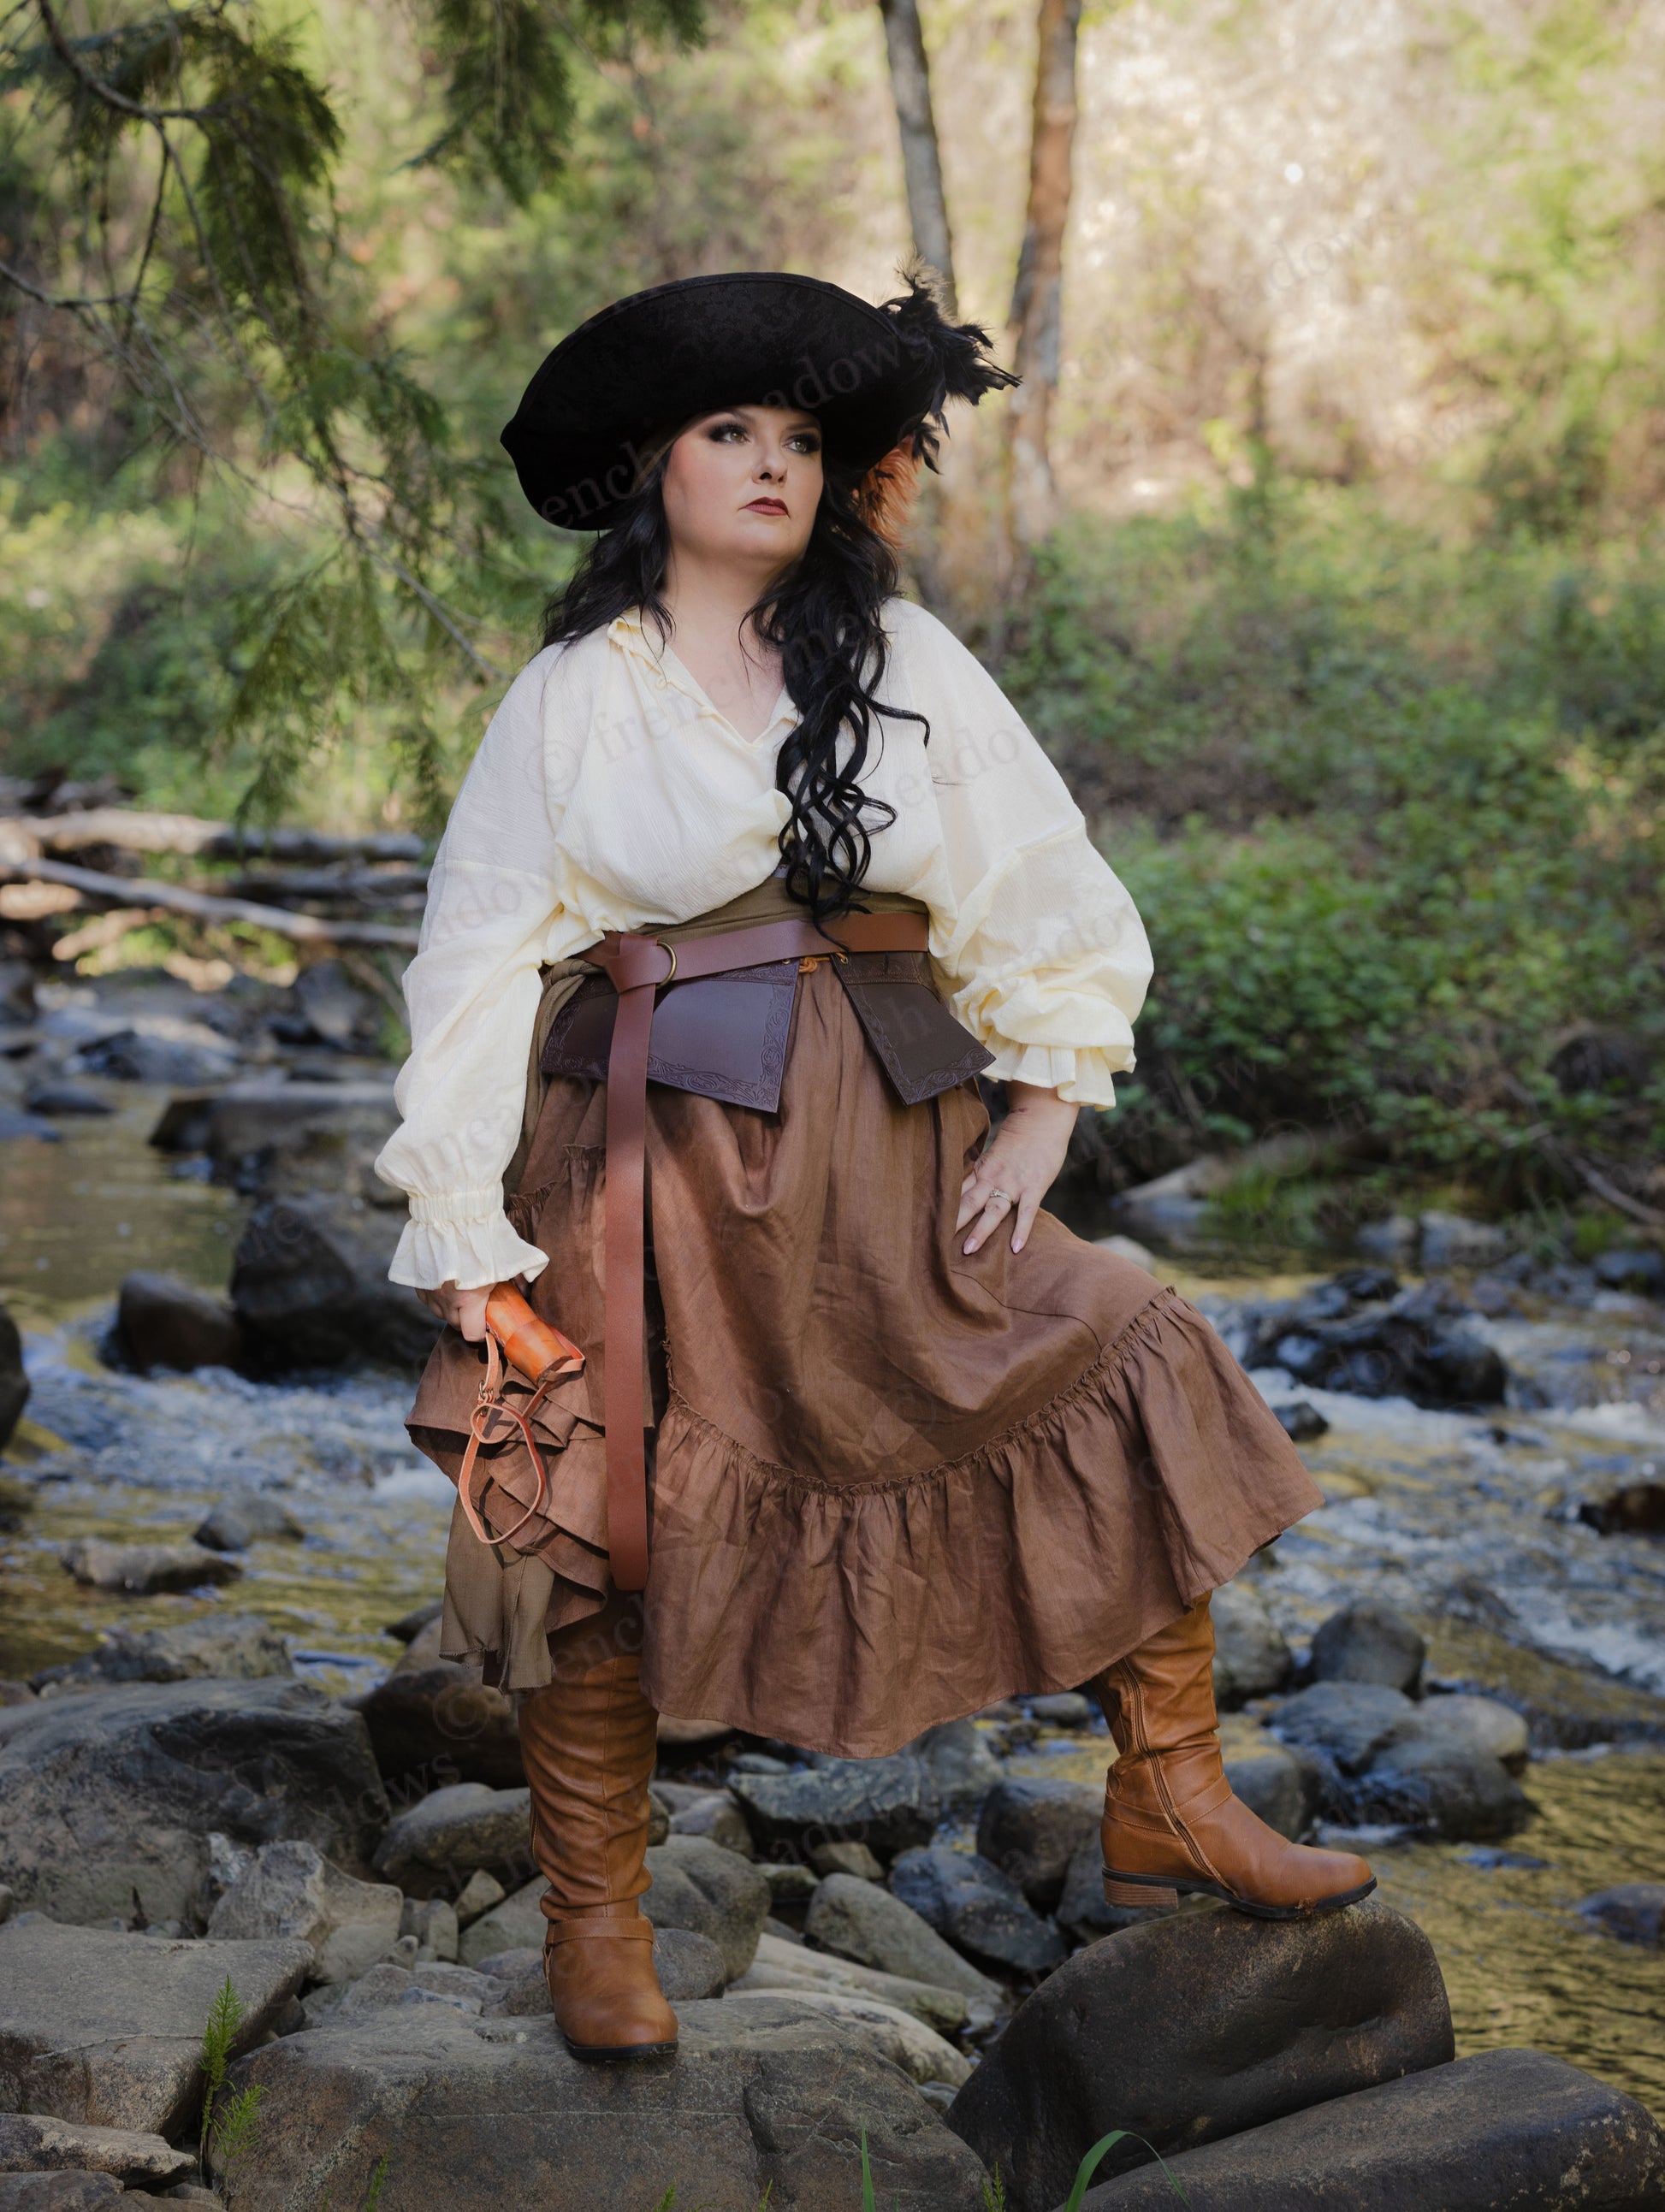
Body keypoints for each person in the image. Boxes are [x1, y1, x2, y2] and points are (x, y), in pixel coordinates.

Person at [376, 269, 1374, 2065]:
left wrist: (1049, 1097)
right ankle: (596, 1924)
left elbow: (1035, 877)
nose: (770, 466)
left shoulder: (901, 659)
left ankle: (1171, 1793)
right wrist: (465, 1233)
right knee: (596, 1506)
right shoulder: (569, 699)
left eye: (800, 440)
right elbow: (471, 956)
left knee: (1116, 1338)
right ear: (651, 468)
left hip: (894, 1142)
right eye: (728, 432)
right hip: (644, 1152)